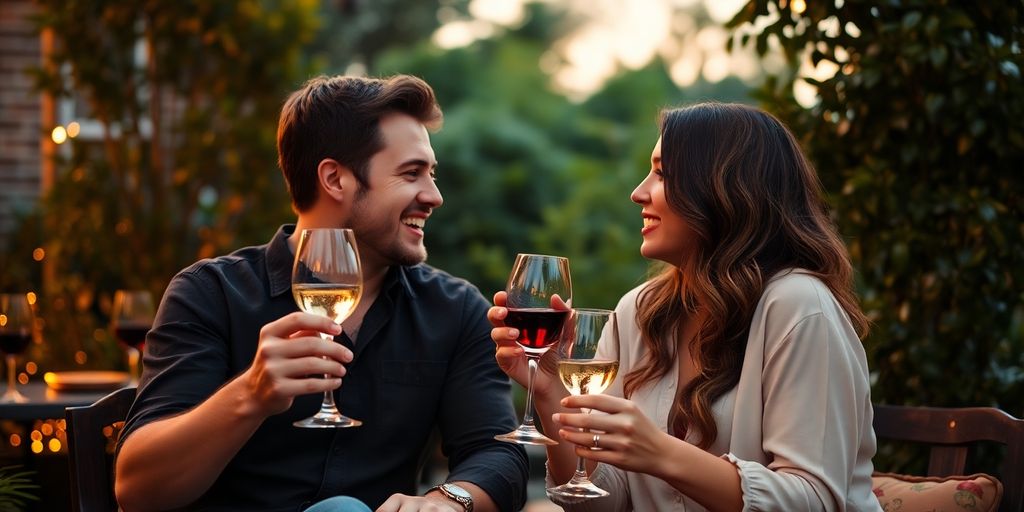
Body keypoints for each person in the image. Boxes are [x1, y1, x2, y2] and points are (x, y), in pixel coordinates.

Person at [115, 74, 529, 512]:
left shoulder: (456, 309)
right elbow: (138, 490)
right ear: (335, 179)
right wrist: (249, 397)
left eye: (432, 173)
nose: (434, 196)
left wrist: (450, 500)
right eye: (411, 174)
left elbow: (499, 454)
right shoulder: (210, 293)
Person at [490, 102, 882, 511]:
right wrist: (551, 388)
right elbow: (601, 502)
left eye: (661, 173)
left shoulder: (800, 307)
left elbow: (815, 500)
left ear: (722, 189)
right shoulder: (637, 313)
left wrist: (660, 453)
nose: (638, 192)